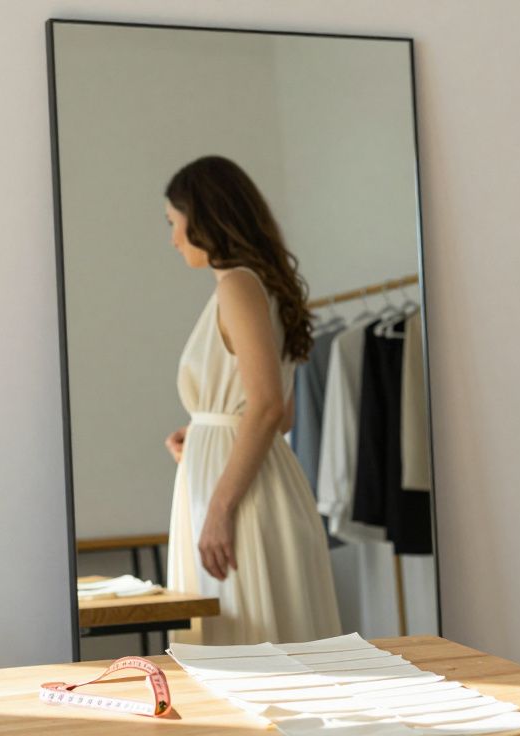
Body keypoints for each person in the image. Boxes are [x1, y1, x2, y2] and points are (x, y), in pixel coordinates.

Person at [162, 155, 341, 644]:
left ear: (203, 219)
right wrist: (201, 431)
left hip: (238, 498)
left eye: (174, 223)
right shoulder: (255, 286)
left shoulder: (238, 285)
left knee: (242, 649)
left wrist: (219, 509)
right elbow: (278, 414)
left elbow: (265, 408)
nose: (173, 238)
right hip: (247, 480)